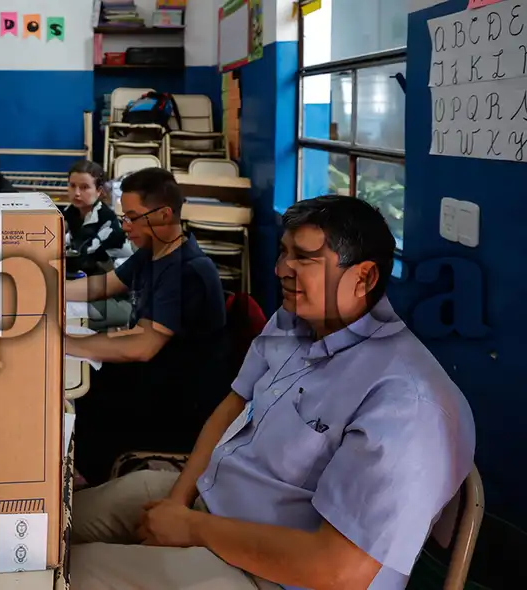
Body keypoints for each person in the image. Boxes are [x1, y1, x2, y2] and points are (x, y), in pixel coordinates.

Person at [69, 196, 476, 590]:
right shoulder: (293, 322)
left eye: (305, 258)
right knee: (55, 522)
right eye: (284, 253)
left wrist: (192, 529)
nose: (283, 268)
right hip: (211, 499)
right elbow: (230, 408)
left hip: (273, 573)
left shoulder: (406, 403)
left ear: (364, 277)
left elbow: (338, 572)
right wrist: (178, 504)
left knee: (65, 575)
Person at [65, 167, 228, 486]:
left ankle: (87, 483)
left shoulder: (188, 270)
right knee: (83, 382)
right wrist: (42, 289)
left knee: (84, 397)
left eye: (133, 217)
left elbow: (142, 346)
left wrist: (65, 343)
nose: (125, 226)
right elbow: (102, 286)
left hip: (178, 401)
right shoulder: (154, 252)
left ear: (165, 214)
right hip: (154, 376)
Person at [63, 160, 131, 331]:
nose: (76, 193)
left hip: (119, 300)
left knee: (58, 313)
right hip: (90, 287)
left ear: (99, 191)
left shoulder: (107, 221)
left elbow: (80, 257)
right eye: (72, 186)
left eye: (85, 187)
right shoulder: (69, 213)